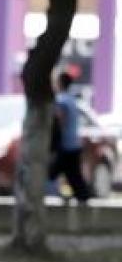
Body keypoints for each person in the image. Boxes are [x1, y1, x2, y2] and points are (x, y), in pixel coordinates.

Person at [50, 71, 92, 203]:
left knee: (52, 172)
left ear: (60, 83)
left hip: (65, 145)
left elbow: (60, 122)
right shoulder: (72, 100)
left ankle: (46, 193)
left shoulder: (61, 100)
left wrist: (54, 141)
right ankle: (83, 197)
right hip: (74, 144)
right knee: (73, 175)